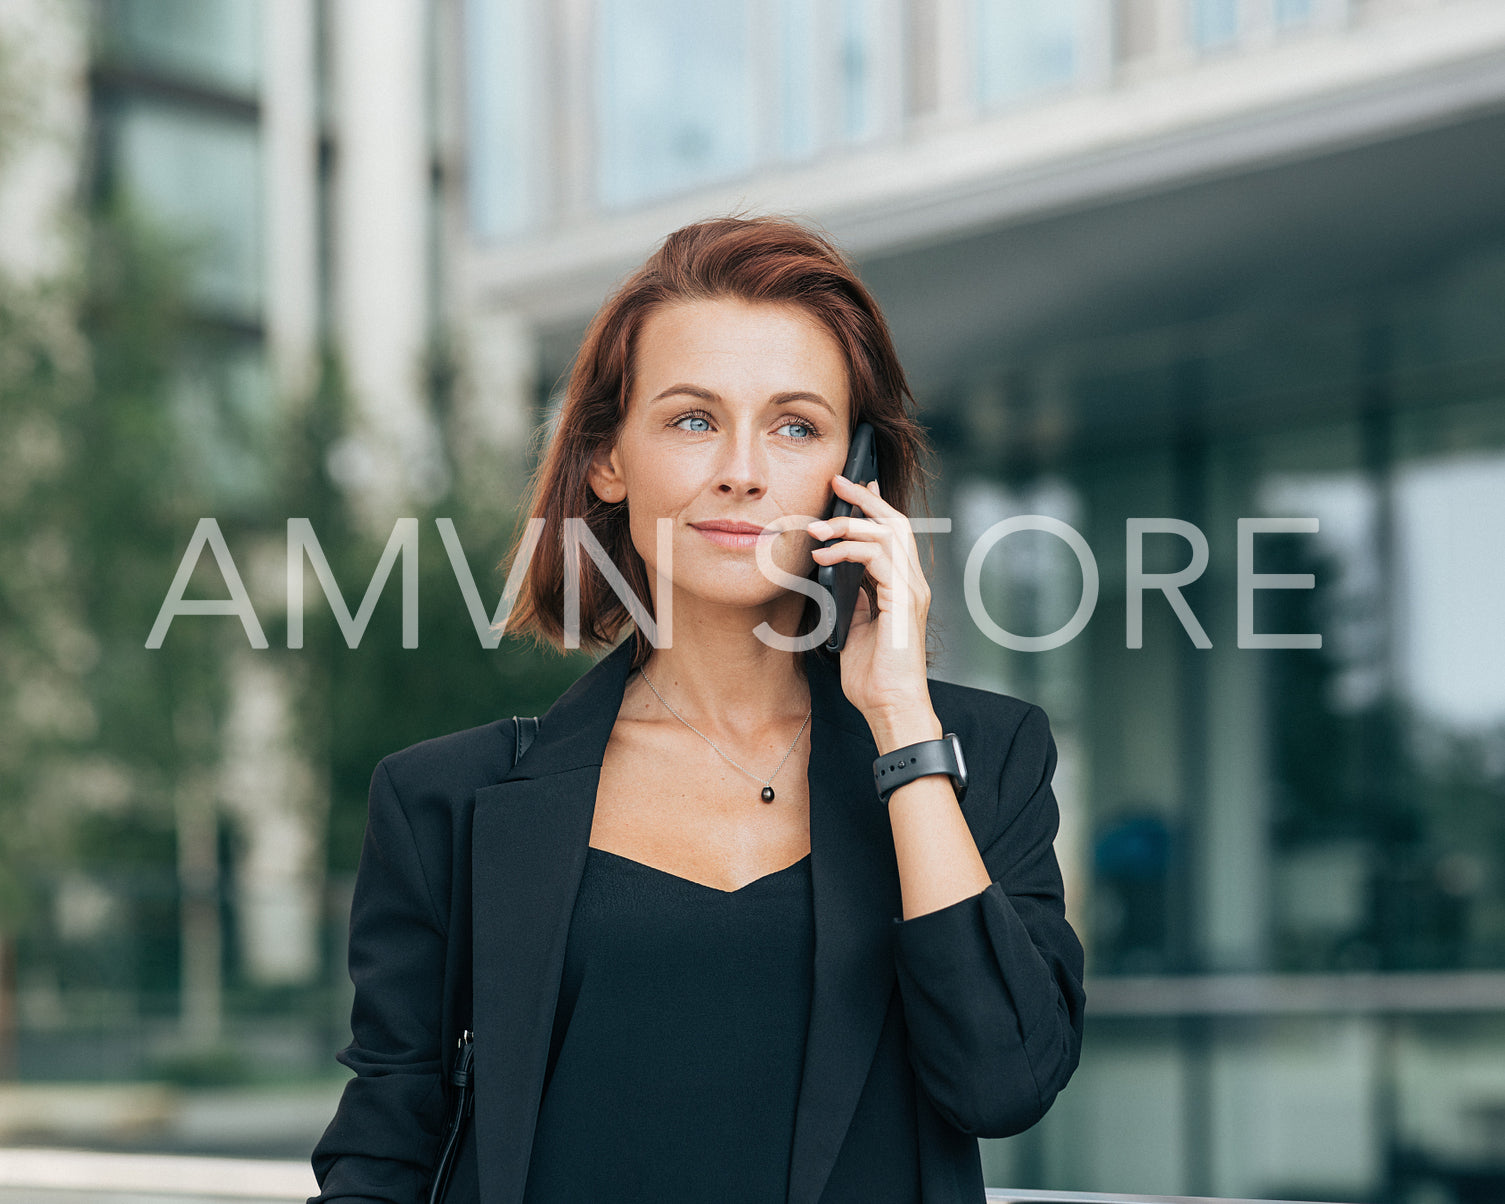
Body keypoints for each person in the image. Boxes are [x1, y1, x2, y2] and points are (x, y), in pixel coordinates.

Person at [309, 215, 1085, 1204]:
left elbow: (1003, 1079)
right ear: (606, 459)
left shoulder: (977, 761)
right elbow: (384, 1153)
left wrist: (900, 724)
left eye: (794, 425)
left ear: (855, 480)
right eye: (691, 418)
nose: (742, 470)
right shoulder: (444, 803)